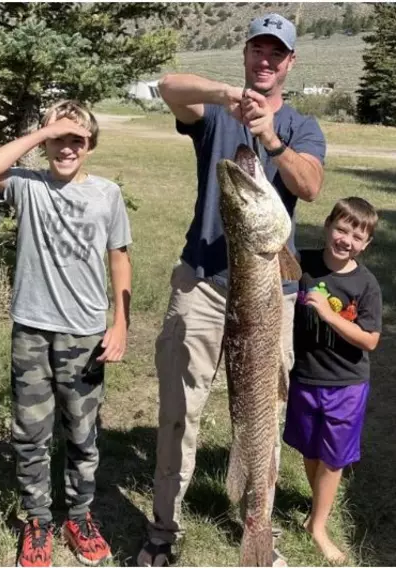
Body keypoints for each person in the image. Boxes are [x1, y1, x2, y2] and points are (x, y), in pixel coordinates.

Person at [137, 13, 326, 567]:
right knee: (179, 411)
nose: (266, 60)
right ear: (246, 56)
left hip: (269, 290)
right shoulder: (217, 112)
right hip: (202, 285)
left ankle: (259, 532)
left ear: (290, 63)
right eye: (257, 51)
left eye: (276, 53)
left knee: (263, 411)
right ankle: (162, 530)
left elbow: (309, 185)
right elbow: (168, 86)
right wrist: (227, 95)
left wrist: (269, 135)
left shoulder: (301, 126)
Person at [0, 100, 132, 567]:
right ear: (45, 143)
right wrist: (44, 131)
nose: (66, 148)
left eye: (77, 139)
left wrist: (121, 324)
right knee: (30, 432)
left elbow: (119, 259)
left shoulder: (106, 194)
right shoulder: (27, 186)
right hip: (32, 331)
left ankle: (79, 516)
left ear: (91, 145)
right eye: (58, 139)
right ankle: (38, 521)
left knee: (83, 433)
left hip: (84, 333)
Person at [284, 197, 381, 564]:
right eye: (341, 229)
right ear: (327, 226)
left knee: (335, 458)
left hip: (346, 384)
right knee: (310, 449)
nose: (346, 240)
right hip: (305, 378)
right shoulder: (303, 264)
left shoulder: (366, 284)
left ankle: (318, 526)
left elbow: (370, 339)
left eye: (357, 236)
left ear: (367, 243)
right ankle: (318, 505)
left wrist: (327, 314)